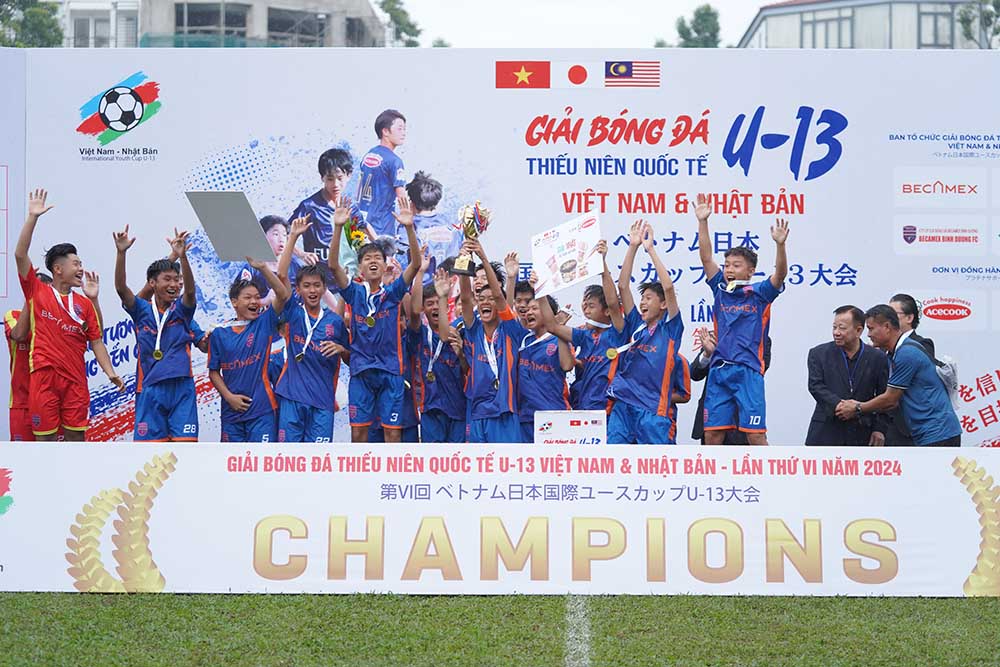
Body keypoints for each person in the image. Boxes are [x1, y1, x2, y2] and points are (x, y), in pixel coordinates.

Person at [14, 189, 123, 441]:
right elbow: (20, 255)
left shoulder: (84, 304)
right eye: (76, 264)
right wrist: (33, 217)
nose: (81, 268)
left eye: (81, 263)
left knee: (76, 441)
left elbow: (96, 341)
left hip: (75, 381)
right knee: (45, 442)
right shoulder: (37, 291)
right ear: (58, 269)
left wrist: (110, 372)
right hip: (44, 378)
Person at [696, 193, 789, 446]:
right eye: (726, 265)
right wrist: (703, 221)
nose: (728, 269)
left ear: (750, 271)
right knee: (713, 434)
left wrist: (780, 245)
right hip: (719, 370)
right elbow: (706, 258)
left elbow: (780, 275)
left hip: (748, 371)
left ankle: (769, 484)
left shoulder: (759, 293)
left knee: (755, 434)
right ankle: (710, 484)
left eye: (735, 265)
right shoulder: (719, 289)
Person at [330, 194, 421, 443]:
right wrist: (338, 228)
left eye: (377, 259)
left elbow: (415, 265)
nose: (372, 262)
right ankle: (359, 482)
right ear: (360, 268)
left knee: (393, 434)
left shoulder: (392, 293)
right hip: (361, 372)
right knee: (358, 432)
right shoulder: (354, 293)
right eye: (367, 259)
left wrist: (409, 228)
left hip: (391, 371)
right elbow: (333, 267)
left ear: (384, 266)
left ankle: (390, 479)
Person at [207, 225, 297, 443]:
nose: (254, 302)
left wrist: (263, 268)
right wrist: (229, 397)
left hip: (262, 410)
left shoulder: (264, 323)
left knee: (261, 469)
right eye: (248, 297)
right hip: (231, 413)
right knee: (232, 470)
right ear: (234, 302)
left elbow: (283, 295)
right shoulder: (219, 333)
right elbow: (213, 372)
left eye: (257, 297)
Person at [114, 225, 199, 441]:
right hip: (151, 389)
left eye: (176, 279)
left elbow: (189, 291)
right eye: (167, 280)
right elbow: (121, 289)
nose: (174, 284)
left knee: (186, 451)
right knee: (151, 454)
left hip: (182, 387)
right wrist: (121, 253)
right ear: (152, 284)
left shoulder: (182, 310)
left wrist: (183, 257)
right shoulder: (142, 310)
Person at [835, 305, 961, 447]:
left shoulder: (906, 354)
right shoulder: (895, 353)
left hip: (938, 433)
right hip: (928, 432)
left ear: (887, 327)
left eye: (871, 328)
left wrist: (857, 407)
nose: (868, 335)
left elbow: (890, 399)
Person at [605, 220, 684, 444]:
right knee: (615, 461)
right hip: (623, 403)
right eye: (642, 298)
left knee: (656, 470)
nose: (642, 302)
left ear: (663, 305)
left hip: (652, 409)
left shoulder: (671, 329)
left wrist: (650, 250)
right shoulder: (635, 325)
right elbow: (623, 286)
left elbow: (668, 288)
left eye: (649, 298)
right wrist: (633, 247)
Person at [275, 218, 350, 443]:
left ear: (324, 288)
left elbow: (350, 358)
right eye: (306, 286)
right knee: (288, 461)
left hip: (322, 402)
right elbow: (281, 275)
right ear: (298, 289)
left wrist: (340, 348)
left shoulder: (335, 322)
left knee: (318, 464)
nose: (312, 290)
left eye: (317, 285)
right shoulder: (293, 313)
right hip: (292, 398)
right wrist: (294, 238)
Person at [4, 271, 95, 442]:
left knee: (58, 456)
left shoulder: (63, 319)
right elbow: (19, 335)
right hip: (22, 403)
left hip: (54, 400)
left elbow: (95, 334)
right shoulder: (13, 315)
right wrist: (31, 299)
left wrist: (93, 301)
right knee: (24, 460)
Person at [541, 240, 625, 412]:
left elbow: (613, 302)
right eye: (584, 305)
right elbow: (552, 326)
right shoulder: (583, 335)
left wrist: (602, 265)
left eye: (591, 306)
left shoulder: (618, 332)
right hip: (583, 407)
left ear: (607, 311)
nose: (585, 310)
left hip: (611, 410)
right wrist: (539, 291)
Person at [459, 240, 522, 443]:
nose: (486, 301)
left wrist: (483, 257)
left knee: (508, 473)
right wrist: (463, 262)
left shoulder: (510, 331)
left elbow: (499, 294)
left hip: (504, 412)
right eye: (482, 298)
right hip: (478, 414)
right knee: (479, 474)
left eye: (491, 299)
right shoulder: (473, 330)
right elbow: (467, 298)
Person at [806, 306, 889, 446]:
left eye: (842, 328)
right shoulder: (818, 354)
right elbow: (816, 386)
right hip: (826, 431)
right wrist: (840, 405)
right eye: (834, 327)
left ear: (859, 330)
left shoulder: (877, 358)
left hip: (863, 433)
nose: (836, 333)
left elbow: (884, 396)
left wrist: (879, 429)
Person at [689, 328, 771, 445]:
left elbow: (761, 367)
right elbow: (695, 374)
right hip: (713, 418)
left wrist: (728, 351)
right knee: (712, 460)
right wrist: (708, 354)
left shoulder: (760, 338)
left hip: (743, 419)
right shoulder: (717, 335)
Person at [289, 148, 361, 281]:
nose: (335, 184)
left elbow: (364, 231)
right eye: (330, 179)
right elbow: (286, 234)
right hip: (320, 283)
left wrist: (385, 253)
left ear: (349, 175)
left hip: (347, 282)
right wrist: (302, 254)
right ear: (322, 177)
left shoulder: (350, 206)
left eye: (340, 178)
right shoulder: (309, 206)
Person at [414, 268, 467, 442]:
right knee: (433, 464)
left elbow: (467, 368)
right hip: (431, 409)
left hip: (457, 409)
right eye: (430, 303)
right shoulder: (420, 334)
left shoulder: (458, 332)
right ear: (424, 308)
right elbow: (413, 312)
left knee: (456, 463)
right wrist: (419, 271)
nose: (435, 307)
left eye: (439, 302)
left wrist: (461, 355)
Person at [518, 294, 575, 443]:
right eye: (528, 309)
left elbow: (567, 365)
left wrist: (560, 330)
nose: (528, 312)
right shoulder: (524, 341)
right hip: (526, 416)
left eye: (534, 308)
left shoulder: (558, 340)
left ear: (548, 313)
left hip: (553, 413)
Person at [884, 293, 932, 447]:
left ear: (909, 318)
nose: (887, 319)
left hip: (914, 426)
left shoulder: (921, 345)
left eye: (893, 314)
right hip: (887, 425)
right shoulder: (883, 348)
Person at [357, 109, 407, 237]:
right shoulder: (395, 161)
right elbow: (401, 196)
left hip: (361, 222)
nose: (404, 133)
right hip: (382, 226)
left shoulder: (368, 155)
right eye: (400, 129)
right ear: (385, 131)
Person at [405, 171, 462, 281]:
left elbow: (403, 263)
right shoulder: (453, 226)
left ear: (411, 202)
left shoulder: (408, 227)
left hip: (424, 291)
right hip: (452, 286)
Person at [236, 215, 298, 307]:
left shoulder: (295, 266)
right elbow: (238, 300)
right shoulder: (252, 268)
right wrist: (264, 301)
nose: (281, 239)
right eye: (276, 234)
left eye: (284, 235)